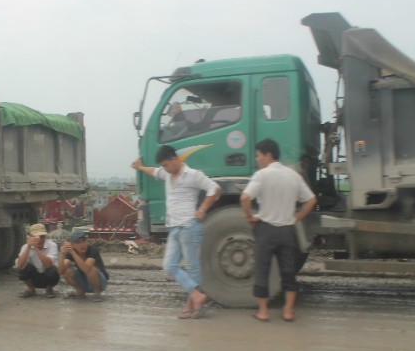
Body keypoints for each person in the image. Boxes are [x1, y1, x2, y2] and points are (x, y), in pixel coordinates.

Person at [131, 145, 220, 319]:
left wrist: (202, 209)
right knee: (169, 266)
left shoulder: (193, 175)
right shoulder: (167, 173)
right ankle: (196, 296)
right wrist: (140, 167)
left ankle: (192, 305)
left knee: (192, 268)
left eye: (166, 165)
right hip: (173, 227)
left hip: (189, 226)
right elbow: (155, 172)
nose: (164, 169)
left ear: (175, 160)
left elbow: (214, 189)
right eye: (163, 166)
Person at [240, 138, 317, 322]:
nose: (257, 160)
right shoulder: (293, 175)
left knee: (262, 270)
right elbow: (311, 200)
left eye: (258, 156)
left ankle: (263, 311)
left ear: (268, 155)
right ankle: (288, 311)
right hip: (287, 230)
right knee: (288, 271)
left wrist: (249, 216)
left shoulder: (261, 175)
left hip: (265, 229)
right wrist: (297, 217)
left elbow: (244, 198)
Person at [58, 230, 109, 302]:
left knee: (91, 269)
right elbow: (61, 271)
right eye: (78, 242)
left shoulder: (92, 250)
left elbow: (86, 269)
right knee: (67, 271)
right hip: (85, 280)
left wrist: (73, 252)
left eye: (84, 241)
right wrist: (62, 254)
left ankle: (97, 292)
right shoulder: (71, 252)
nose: (82, 244)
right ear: (72, 245)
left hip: (100, 282)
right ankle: (80, 291)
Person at [15, 223, 59, 298]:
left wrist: (36, 248)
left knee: (53, 269)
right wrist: (29, 247)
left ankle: (49, 289)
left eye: (42, 237)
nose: (40, 240)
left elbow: (48, 265)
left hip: (48, 276)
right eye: (38, 237)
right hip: (34, 277)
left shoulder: (52, 245)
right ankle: (31, 289)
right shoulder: (25, 247)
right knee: (23, 268)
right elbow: (20, 265)